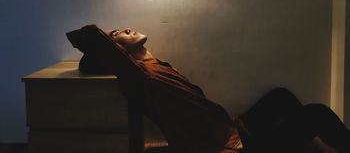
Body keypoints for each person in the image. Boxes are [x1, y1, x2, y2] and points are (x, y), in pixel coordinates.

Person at [67, 25, 350, 153]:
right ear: (117, 53)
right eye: (117, 34)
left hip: (230, 130)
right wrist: (106, 39)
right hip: (226, 148)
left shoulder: (158, 65)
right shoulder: (142, 77)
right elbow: (91, 43)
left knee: (281, 97)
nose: (125, 28)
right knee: (316, 114)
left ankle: (314, 144)